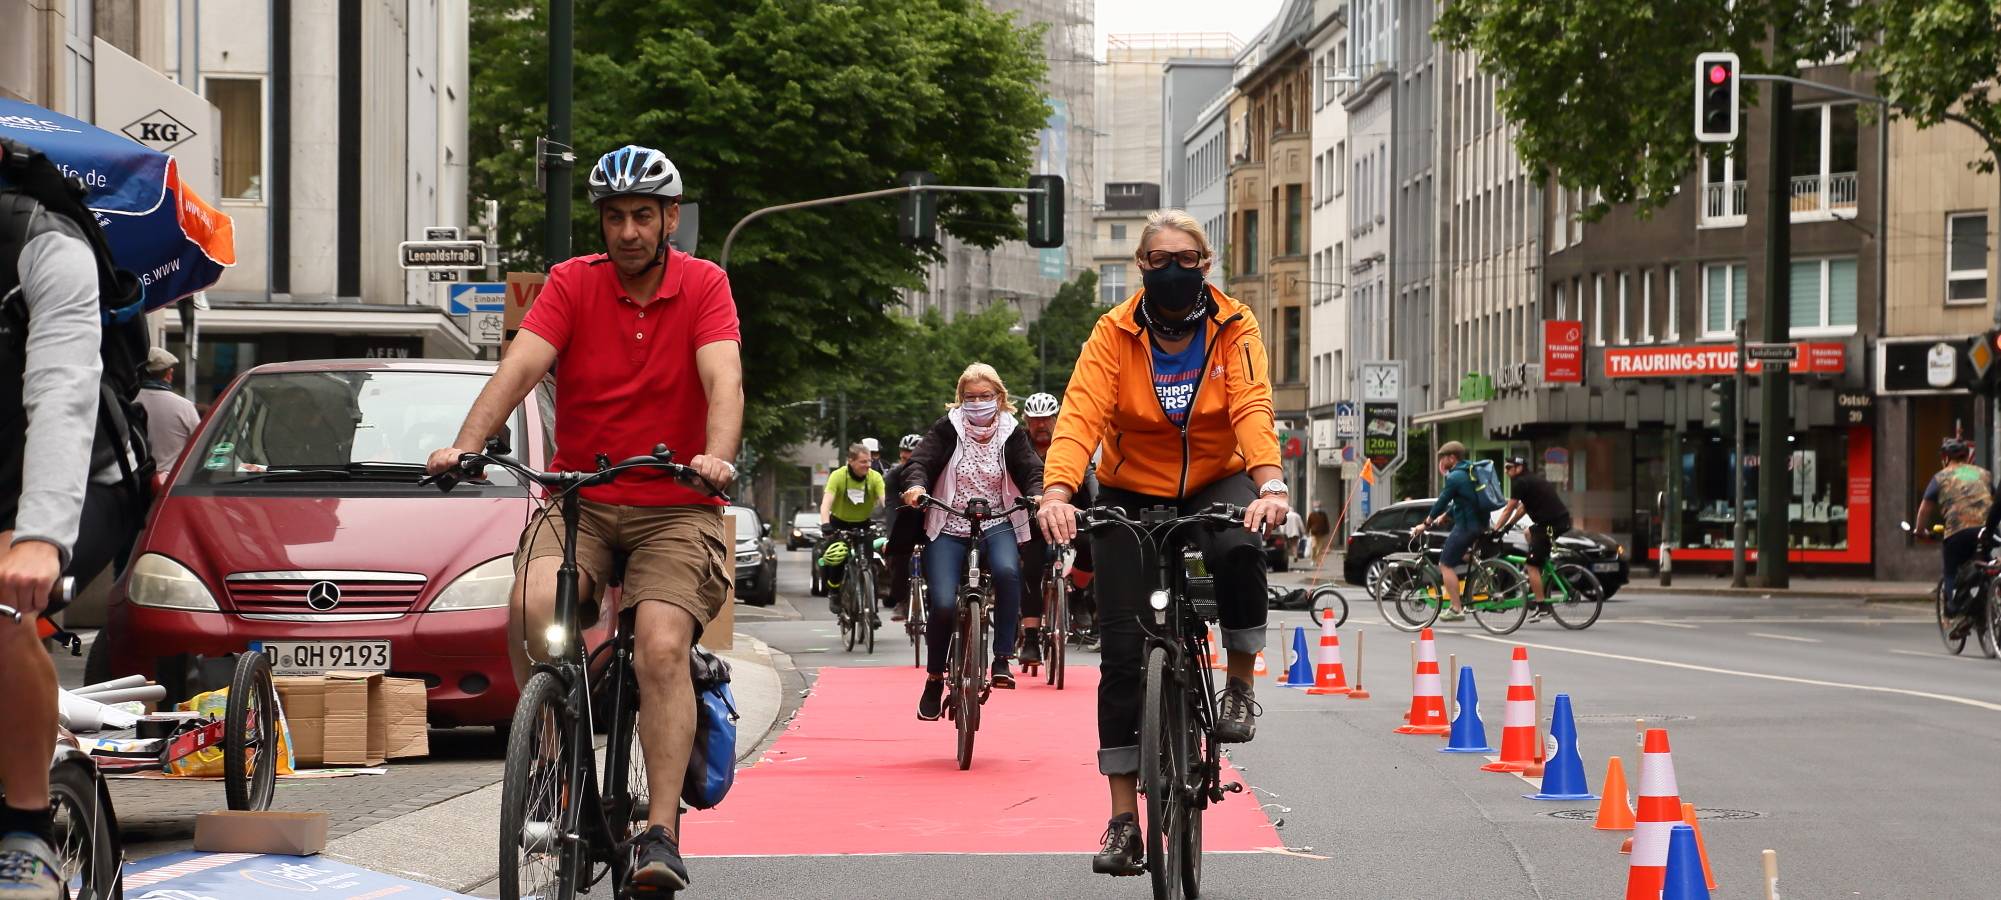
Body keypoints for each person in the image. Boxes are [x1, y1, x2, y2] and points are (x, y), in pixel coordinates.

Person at [426, 144, 739, 892]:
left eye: (642, 216)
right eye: (614, 216)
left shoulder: (704, 283)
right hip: (583, 499)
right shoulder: (571, 282)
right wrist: (466, 446)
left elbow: (723, 378)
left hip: (677, 504)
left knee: (660, 647)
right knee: (534, 605)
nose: (627, 231)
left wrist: (717, 455)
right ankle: (553, 758)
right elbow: (520, 368)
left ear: (670, 219)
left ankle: (659, 834)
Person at [1034, 209, 1289, 878]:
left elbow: (1251, 405)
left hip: (1215, 476)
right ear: (1140, 267)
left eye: (1185, 259)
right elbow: (1080, 413)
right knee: (1122, 654)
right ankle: (1124, 821)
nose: (1172, 270)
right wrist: (1057, 492)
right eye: (1158, 260)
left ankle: (1238, 686)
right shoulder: (1113, 331)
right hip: (1130, 486)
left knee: (1239, 548)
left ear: (1205, 265)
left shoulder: (1234, 325)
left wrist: (1269, 484)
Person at [0, 139, 149, 900]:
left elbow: (61, 390)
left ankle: (25, 832)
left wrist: (39, 538)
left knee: (1, 610)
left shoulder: (42, 240)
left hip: (78, 480)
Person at [899, 363, 1043, 715]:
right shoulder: (948, 427)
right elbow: (920, 462)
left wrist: (1038, 492)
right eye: (970, 397)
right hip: (948, 522)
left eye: (985, 396)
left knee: (1008, 572)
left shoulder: (1011, 431)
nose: (978, 403)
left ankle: (1002, 659)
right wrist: (915, 486)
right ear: (960, 398)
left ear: (999, 397)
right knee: (943, 603)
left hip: (996, 520)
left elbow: (1031, 468)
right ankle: (935, 678)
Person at [1915, 437, 1994, 633]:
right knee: (1987, 564)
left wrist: (1920, 531)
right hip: (1987, 530)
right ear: (1967, 457)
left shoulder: (1941, 477)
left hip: (1958, 531)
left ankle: (1955, 610)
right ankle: (1990, 600)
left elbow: (1925, 509)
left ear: (1945, 458)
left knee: (1951, 570)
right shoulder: (1983, 474)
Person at [1412, 442, 1481, 622]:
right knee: (1461, 555)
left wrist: (1425, 524)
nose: (1442, 461)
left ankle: (1456, 608)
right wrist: (1447, 515)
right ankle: (1480, 577)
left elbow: (1442, 501)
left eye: (1443, 457)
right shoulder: (1470, 471)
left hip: (1466, 526)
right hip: (1479, 524)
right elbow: (1464, 501)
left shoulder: (1455, 476)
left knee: (1445, 564)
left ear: (1452, 457)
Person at [1496, 455, 1571, 611]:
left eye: (1509, 468)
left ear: (1519, 468)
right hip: (1557, 522)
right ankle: (1539, 564)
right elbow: (1523, 508)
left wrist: (1495, 530)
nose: (1506, 471)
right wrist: (1509, 525)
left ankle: (1541, 606)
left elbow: (1509, 509)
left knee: (1531, 565)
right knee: (1528, 533)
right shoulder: (1531, 479)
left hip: (1550, 525)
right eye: (1505, 468)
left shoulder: (1520, 482)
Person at [818, 442, 885, 619]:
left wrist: (893, 520)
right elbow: (826, 504)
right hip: (839, 524)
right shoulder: (838, 476)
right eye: (863, 462)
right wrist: (825, 525)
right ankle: (834, 592)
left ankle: (872, 611)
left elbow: (885, 500)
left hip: (863, 524)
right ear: (851, 461)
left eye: (869, 461)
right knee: (837, 557)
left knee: (870, 565)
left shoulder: (875, 477)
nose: (868, 465)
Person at [883, 434, 926, 621]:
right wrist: (890, 537)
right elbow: (891, 507)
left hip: (928, 521)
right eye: (903, 459)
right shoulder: (893, 476)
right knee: (898, 554)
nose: (906, 464)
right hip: (905, 521)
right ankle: (901, 600)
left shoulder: (932, 472)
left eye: (911, 459)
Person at [136, 347, 200, 471]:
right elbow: (199, 445)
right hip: (171, 479)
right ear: (169, 374)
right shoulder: (184, 406)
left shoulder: (128, 401)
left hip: (136, 478)